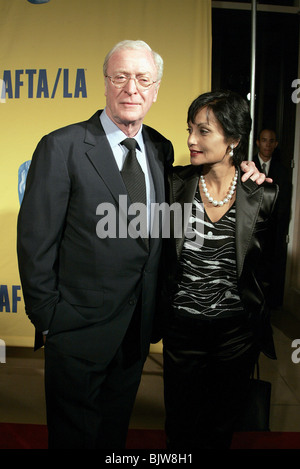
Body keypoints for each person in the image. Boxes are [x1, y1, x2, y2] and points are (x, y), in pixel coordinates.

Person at [17, 40, 265, 450]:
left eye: (143, 79)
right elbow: (35, 242)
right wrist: (50, 320)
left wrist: (246, 167)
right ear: (105, 83)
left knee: (114, 436)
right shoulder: (61, 147)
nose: (132, 88)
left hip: (138, 332)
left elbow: (206, 180)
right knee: (73, 439)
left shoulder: (160, 147)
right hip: (77, 332)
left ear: (156, 89)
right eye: (121, 77)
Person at [159, 91, 278, 449]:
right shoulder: (173, 185)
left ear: (234, 140)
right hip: (182, 331)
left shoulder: (263, 194)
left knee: (219, 428)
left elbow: (264, 268)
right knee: (179, 428)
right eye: (189, 129)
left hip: (235, 336)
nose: (191, 140)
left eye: (203, 131)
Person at [254, 129, 292, 307]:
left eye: (271, 141)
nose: (267, 144)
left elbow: (284, 206)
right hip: (251, 231)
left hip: (273, 233)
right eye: (264, 140)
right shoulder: (246, 166)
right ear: (257, 142)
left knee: (269, 274)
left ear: (276, 144)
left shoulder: (282, 172)